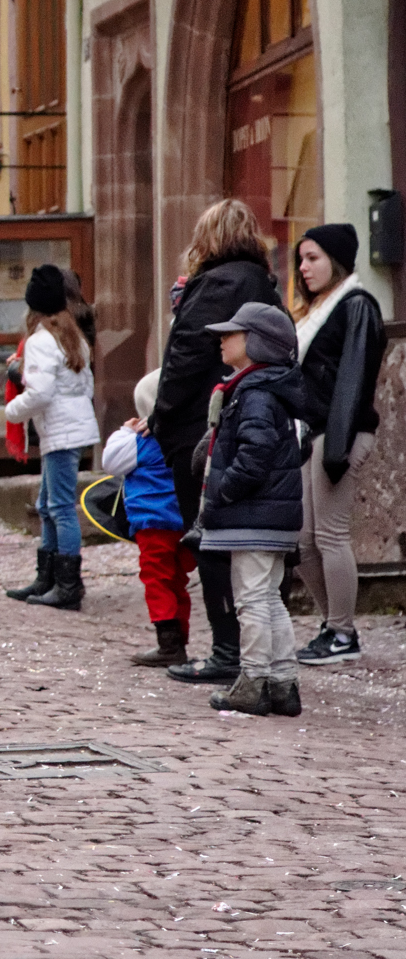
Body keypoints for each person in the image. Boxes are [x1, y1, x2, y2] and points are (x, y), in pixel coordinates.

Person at [151, 199, 283, 683]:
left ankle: (228, 652)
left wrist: (161, 419)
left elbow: (183, 360)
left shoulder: (211, 285)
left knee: (211, 541)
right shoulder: (263, 283)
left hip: (204, 430)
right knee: (253, 550)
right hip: (255, 421)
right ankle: (259, 656)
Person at [196, 302, 307, 717]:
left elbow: (255, 453)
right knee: (269, 598)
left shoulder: (255, 392)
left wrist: (223, 491)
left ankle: (253, 681)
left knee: (252, 600)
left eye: (232, 333)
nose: (222, 339)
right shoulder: (259, 388)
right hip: (269, 516)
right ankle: (283, 682)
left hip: (253, 514)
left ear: (258, 343)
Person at [290, 223, 383, 667]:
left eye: (314, 258)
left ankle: (343, 632)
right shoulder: (316, 310)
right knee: (304, 540)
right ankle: (333, 627)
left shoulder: (356, 306)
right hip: (314, 432)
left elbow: (353, 379)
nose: (304, 267)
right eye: (302, 259)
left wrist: (338, 448)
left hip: (339, 434)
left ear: (337, 261)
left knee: (329, 534)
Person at [2, 265, 99, 609]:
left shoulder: (41, 341)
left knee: (60, 507)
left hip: (60, 431)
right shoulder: (71, 335)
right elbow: (85, 386)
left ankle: (67, 585)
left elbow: (40, 393)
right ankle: (48, 578)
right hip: (72, 427)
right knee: (48, 504)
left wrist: (13, 410)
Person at [101, 370, 190, 666]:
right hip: (182, 520)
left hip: (152, 523)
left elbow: (110, 462)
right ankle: (181, 637)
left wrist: (125, 431)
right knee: (178, 579)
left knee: (157, 579)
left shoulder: (141, 442)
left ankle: (168, 642)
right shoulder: (185, 438)